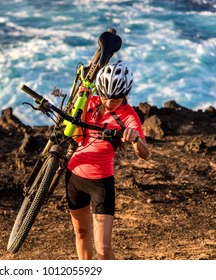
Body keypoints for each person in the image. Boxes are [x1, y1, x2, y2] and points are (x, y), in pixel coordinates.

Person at [65, 60, 149, 260]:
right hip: (73, 175)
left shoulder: (129, 116)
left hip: (101, 183)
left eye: (116, 100)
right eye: (105, 97)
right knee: (81, 233)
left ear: (125, 94)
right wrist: (80, 104)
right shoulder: (91, 101)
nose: (110, 103)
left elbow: (145, 154)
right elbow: (75, 137)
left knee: (103, 249)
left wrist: (135, 139)